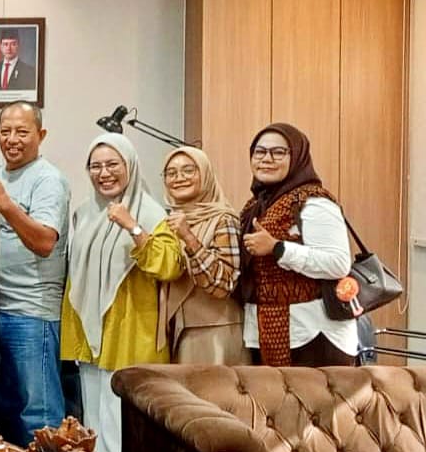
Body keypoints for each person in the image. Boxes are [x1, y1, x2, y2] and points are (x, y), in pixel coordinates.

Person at [60, 133, 177, 452]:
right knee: (93, 428)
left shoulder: (152, 213)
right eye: (95, 166)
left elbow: (168, 266)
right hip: (91, 336)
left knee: (121, 433)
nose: (104, 173)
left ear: (131, 166)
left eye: (113, 164)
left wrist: (132, 227)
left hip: (130, 335)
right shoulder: (84, 213)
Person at [0, 100, 70, 445]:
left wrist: (5, 204)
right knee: (6, 412)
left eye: (22, 131)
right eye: (6, 131)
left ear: (40, 135)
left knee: (39, 415)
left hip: (32, 313)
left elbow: (44, 242)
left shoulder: (48, 179)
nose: (12, 139)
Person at [239, 123, 357, 366]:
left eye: (278, 152)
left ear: (297, 157)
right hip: (265, 330)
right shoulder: (255, 206)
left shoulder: (313, 202)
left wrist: (278, 248)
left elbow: (338, 263)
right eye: (259, 152)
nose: (267, 159)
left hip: (314, 334)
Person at [147, 146, 250, 364]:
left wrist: (189, 238)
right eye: (171, 173)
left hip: (215, 331)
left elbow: (224, 284)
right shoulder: (167, 220)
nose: (179, 178)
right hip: (178, 330)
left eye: (188, 170)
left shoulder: (223, 219)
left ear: (205, 174)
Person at [0, 28, 36, 92]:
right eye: (5, 44)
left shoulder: (29, 72)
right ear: (1, 47)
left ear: (18, 46)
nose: (9, 48)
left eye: (13, 44)